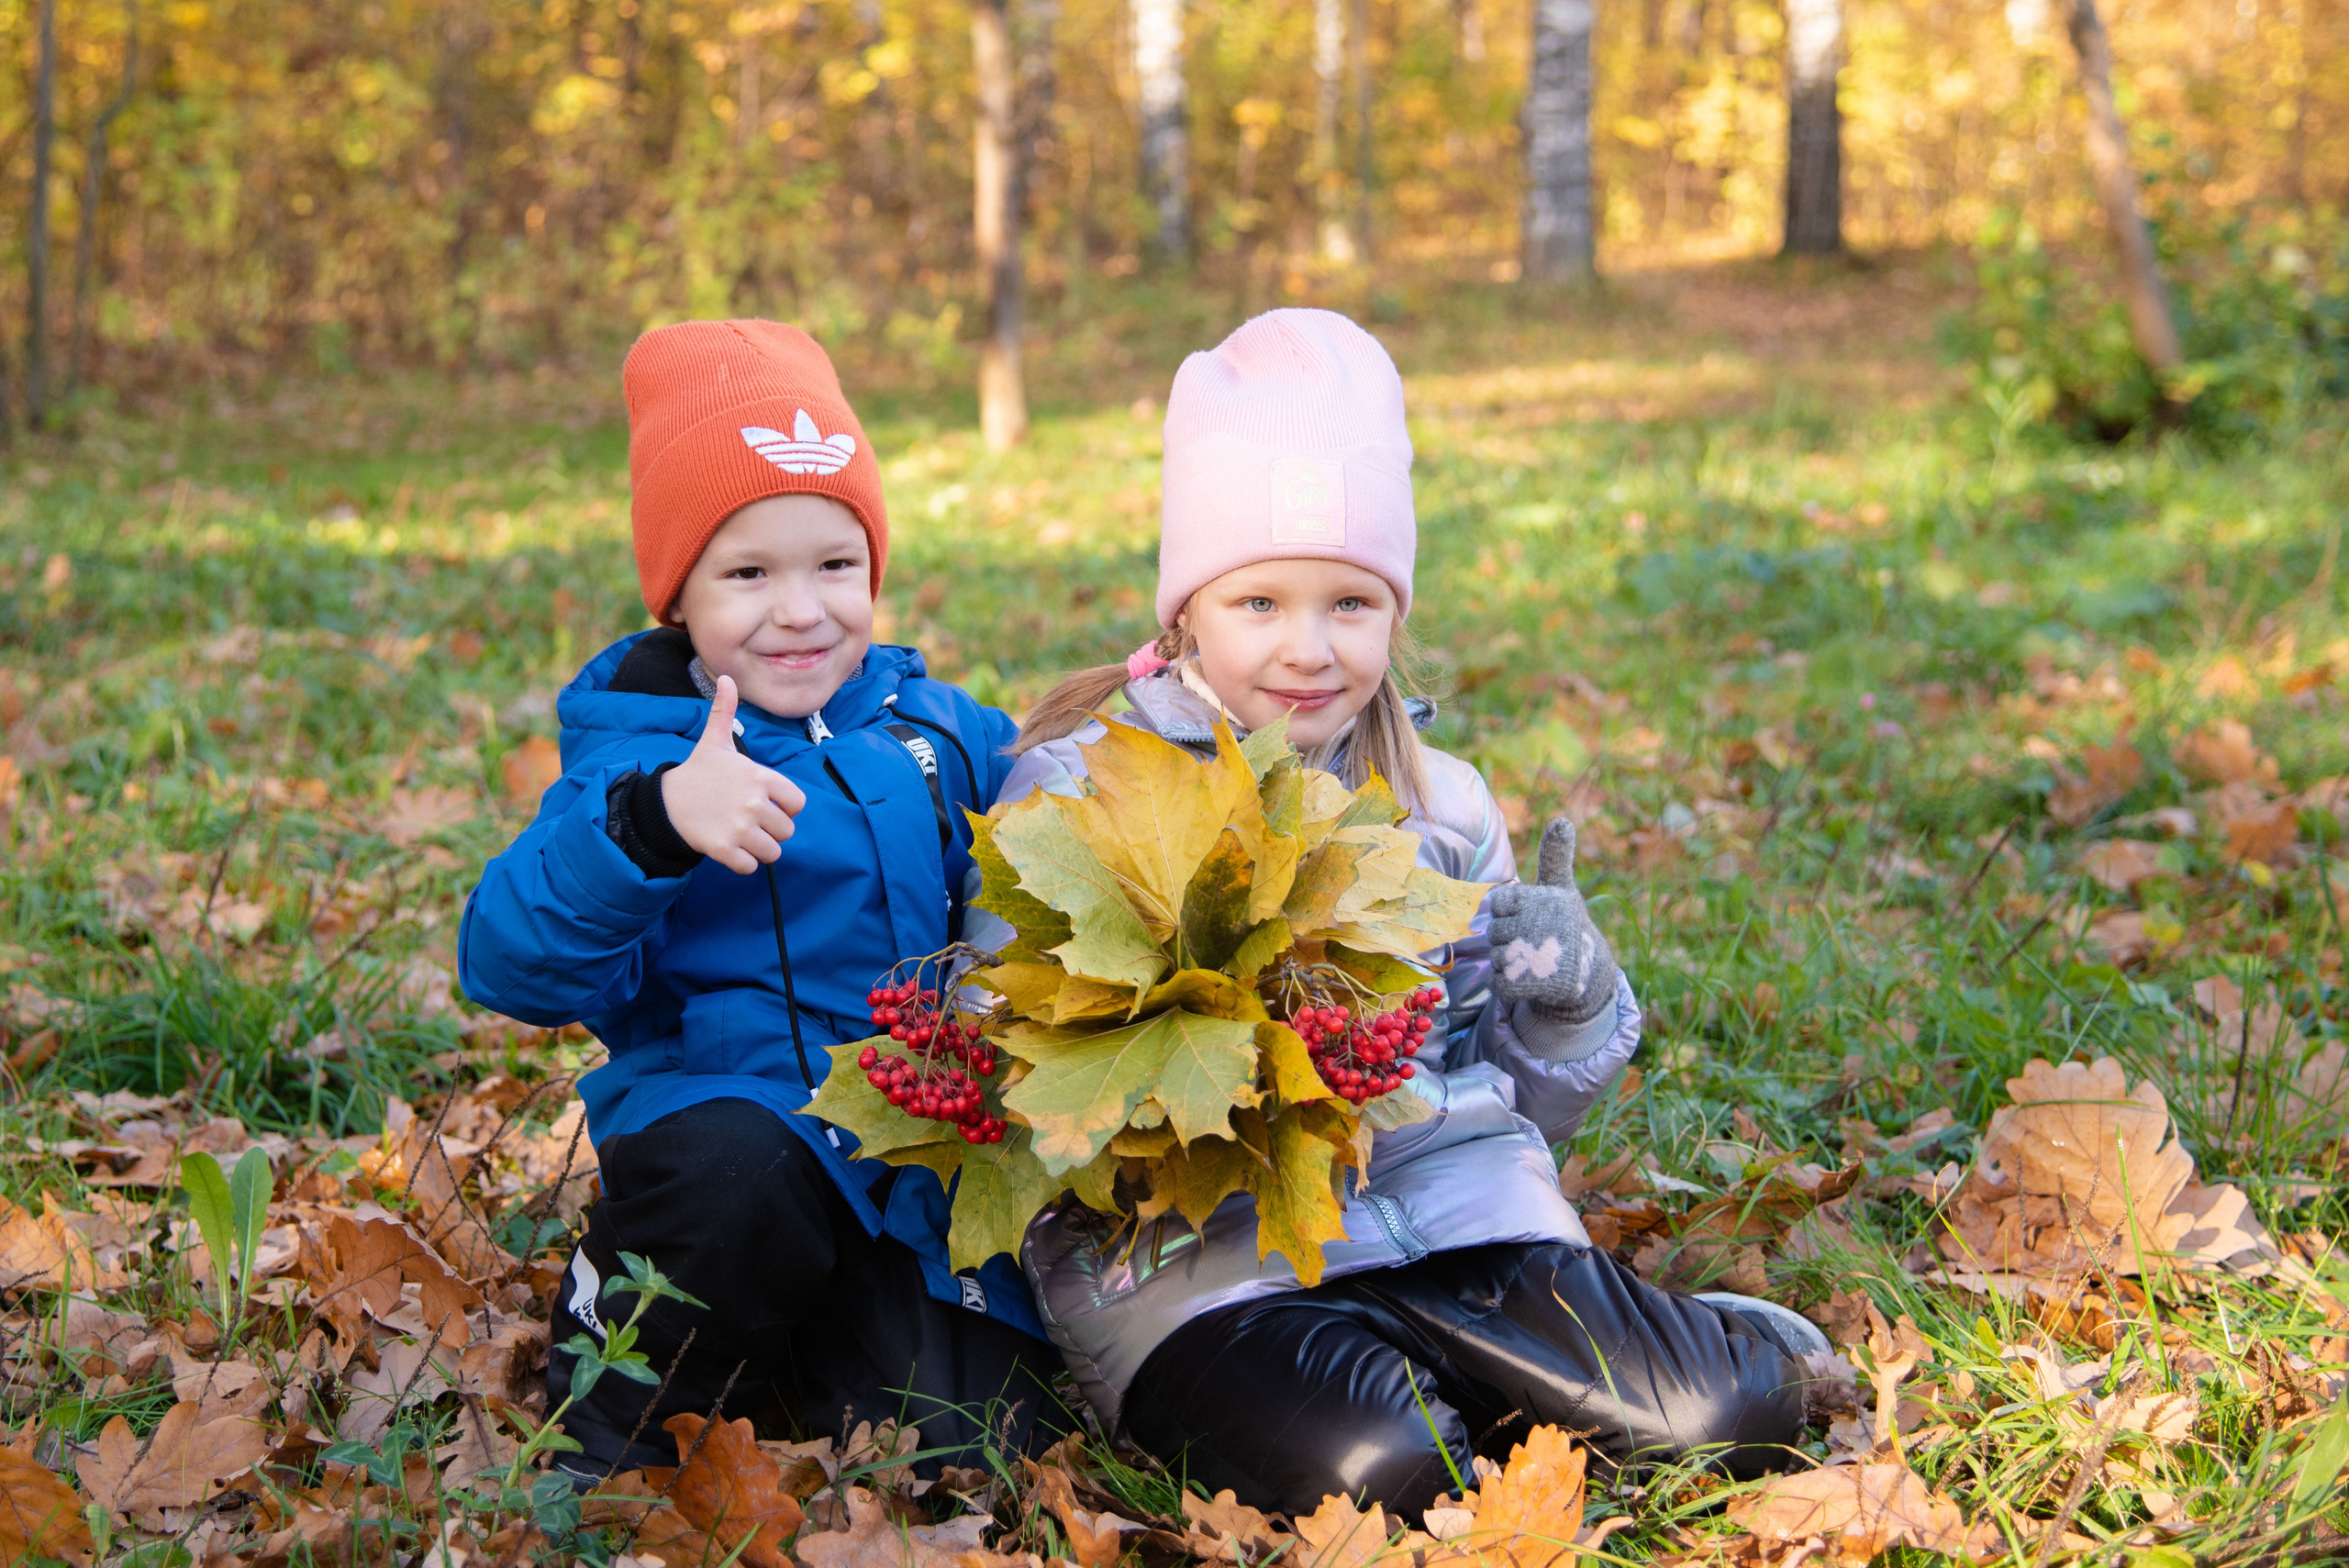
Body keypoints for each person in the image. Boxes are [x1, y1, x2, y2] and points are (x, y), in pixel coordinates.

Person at [985, 308, 1823, 1520]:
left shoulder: (1441, 805)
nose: (1307, 649)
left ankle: (1630, 1351)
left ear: (1394, 611)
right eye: (1259, 602)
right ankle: (1461, 1394)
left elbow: (1505, 1096)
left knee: (1727, 1416)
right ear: (1185, 611)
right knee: (1386, 1472)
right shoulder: (1079, 786)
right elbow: (1015, 1061)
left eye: (1350, 604)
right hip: (1205, 1267)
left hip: (1455, 1219)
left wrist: (1568, 1004)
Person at [458, 320, 1065, 1485]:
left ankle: (802, 1358)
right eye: (748, 574)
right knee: (739, 1176)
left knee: (973, 1445)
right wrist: (652, 823)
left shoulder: (941, 730)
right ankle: (617, 1406)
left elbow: (1058, 821)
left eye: (834, 566)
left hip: (912, 1144)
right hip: (737, 1128)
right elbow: (505, 959)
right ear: (678, 594)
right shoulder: (645, 758)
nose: (800, 610)